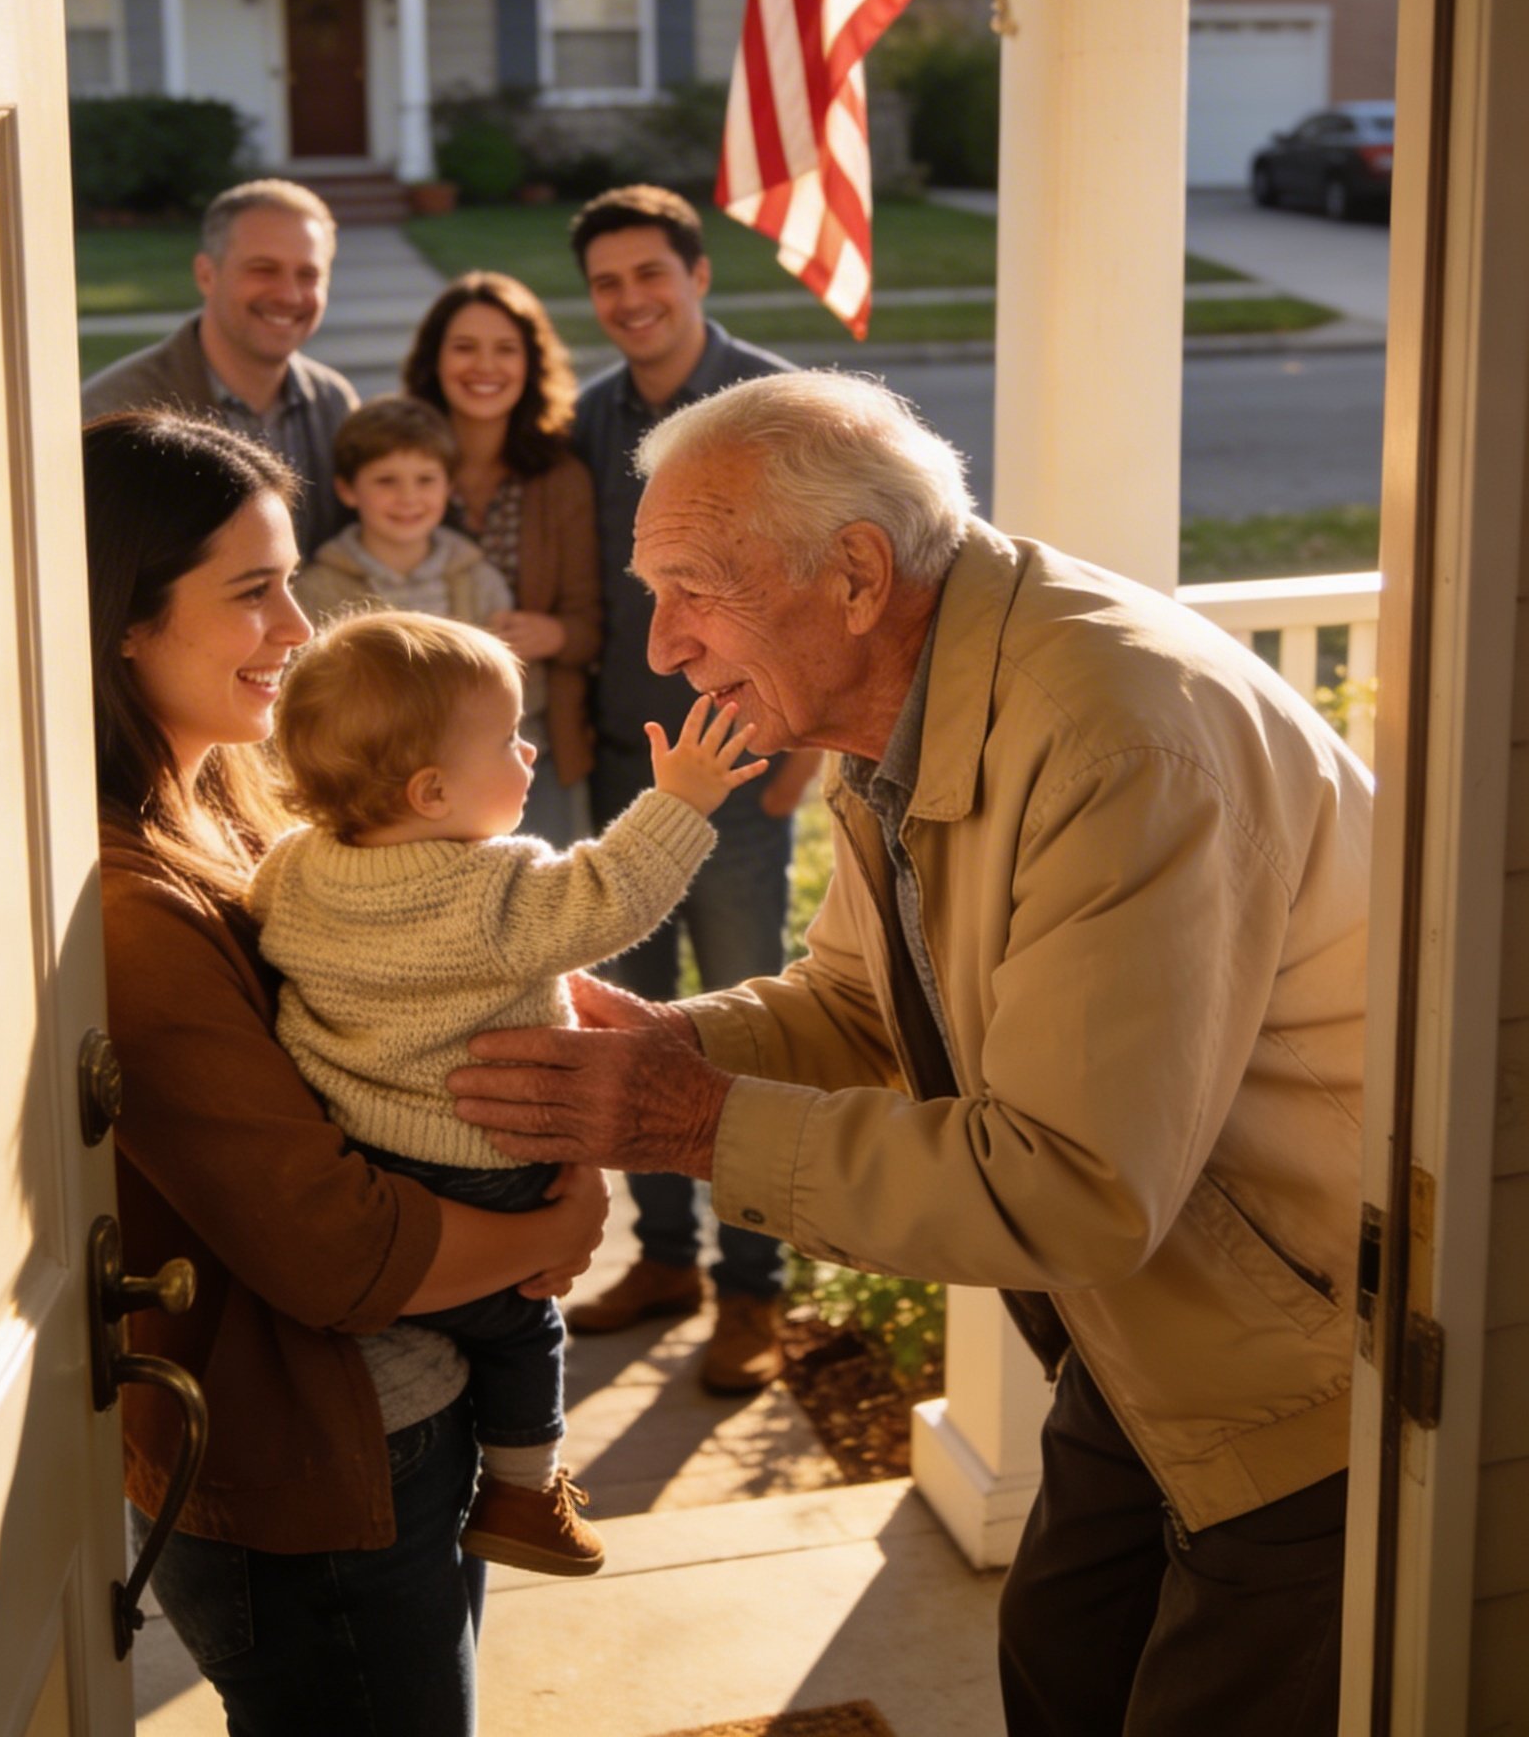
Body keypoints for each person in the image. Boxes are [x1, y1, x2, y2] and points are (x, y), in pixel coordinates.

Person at [448, 371, 1372, 1737]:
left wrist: (689, 1123)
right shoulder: (897, 700)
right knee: (1060, 1664)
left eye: (695, 588)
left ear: (860, 575)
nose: (666, 645)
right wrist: (663, 1047)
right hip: (1146, 1341)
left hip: (1306, 1378)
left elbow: (1071, 1185)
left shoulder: (1115, 737)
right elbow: (866, 1007)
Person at [83, 407, 607, 1737]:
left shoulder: (225, 804)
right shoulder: (131, 906)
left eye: (291, 588)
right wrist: (555, 1221)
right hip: (314, 1468)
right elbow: (333, 1249)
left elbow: (386, 988)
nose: (297, 633)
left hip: (402, 1426)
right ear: (122, 620)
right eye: (253, 594)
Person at [251, 608, 764, 1578]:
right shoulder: (492, 892)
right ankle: (525, 1492)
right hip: (485, 1157)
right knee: (523, 1320)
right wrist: (681, 801)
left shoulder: (291, 869)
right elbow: (614, 893)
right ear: (432, 789)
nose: (527, 752)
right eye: (506, 738)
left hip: (362, 1147)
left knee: (458, 1311)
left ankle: (421, 1325)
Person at [564, 186, 820, 1395]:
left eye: (648, 274)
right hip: (627, 771)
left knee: (743, 1031)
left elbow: (830, 586)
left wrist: (799, 763)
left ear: (699, 274)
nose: (629, 300)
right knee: (629, 1026)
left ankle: (751, 1292)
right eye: (607, 282)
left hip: (743, 774)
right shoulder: (591, 419)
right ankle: (663, 1256)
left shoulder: (772, 411)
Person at [402, 272, 600, 850]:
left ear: (531, 365)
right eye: (464, 347)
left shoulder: (561, 479)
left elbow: (592, 626)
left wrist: (554, 633)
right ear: (434, 361)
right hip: (417, 742)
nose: (484, 366)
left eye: (505, 349)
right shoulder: (399, 464)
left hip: (533, 737)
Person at [82, 179, 356, 555]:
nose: (289, 295)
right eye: (264, 269)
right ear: (206, 275)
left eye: (308, 275)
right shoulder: (116, 412)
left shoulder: (333, 403)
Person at [292, 395, 511, 632]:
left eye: (425, 480)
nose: (408, 497)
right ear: (347, 490)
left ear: (449, 487)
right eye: (386, 481)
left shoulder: (482, 582)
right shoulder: (315, 592)